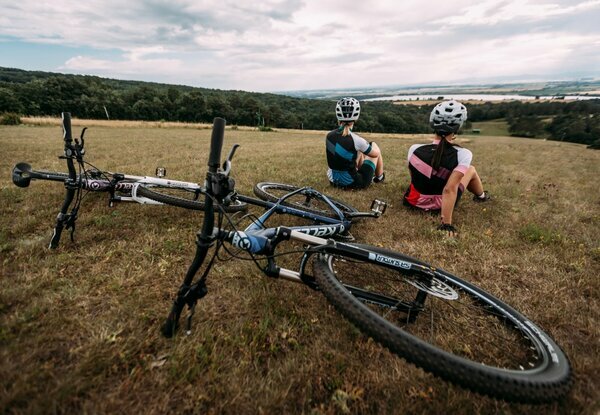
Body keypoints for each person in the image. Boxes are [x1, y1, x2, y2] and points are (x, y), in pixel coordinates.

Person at [403, 100, 490, 236]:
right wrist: (446, 225)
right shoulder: (463, 154)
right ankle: (481, 196)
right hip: (439, 205)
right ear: (457, 127)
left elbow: (414, 178)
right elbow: (449, 189)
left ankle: (481, 196)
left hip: (413, 202)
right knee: (471, 169)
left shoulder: (414, 149)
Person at [326, 97, 385, 189]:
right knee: (374, 145)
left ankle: (358, 171)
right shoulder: (356, 139)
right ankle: (379, 178)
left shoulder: (329, 136)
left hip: (333, 181)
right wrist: (366, 145)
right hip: (353, 184)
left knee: (357, 150)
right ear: (356, 118)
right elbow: (375, 154)